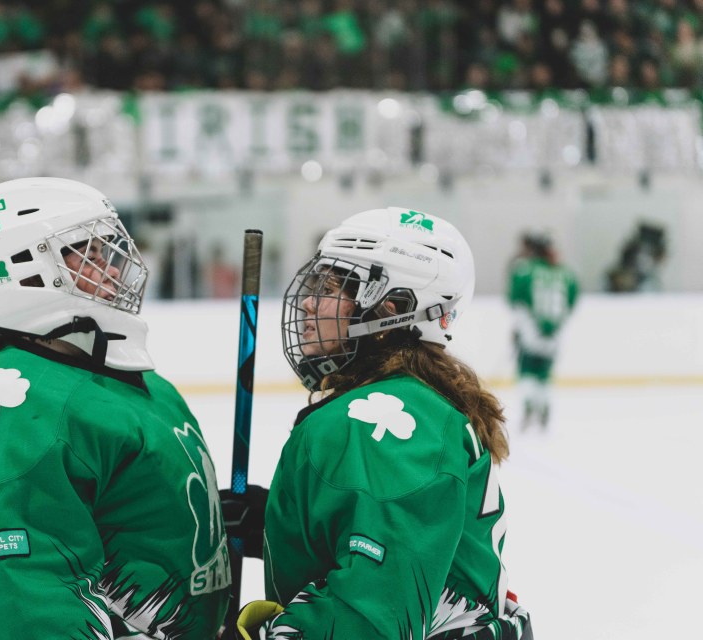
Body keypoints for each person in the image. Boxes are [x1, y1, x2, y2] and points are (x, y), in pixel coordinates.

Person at [0, 177, 231, 638]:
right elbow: (22, 592)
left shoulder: (135, 382)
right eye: (88, 254)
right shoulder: (25, 400)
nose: (114, 270)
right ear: (23, 271)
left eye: (109, 252)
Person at [224, 208, 532, 639]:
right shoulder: (414, 402)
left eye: (329, 288)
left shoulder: (382, 419)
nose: (309, 301)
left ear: (392, 309)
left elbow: (373, 609)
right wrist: (280, 524)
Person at [509, 232, 578, 430]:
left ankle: (529, 405)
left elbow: (515, 300)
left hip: (530, 331)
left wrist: (519, 328)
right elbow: (571, 301)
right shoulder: (566, 273)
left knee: (526, 371)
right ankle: (544, 405)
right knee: (544, 374)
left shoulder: (524, 270)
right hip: (554, 334)